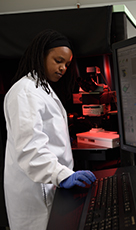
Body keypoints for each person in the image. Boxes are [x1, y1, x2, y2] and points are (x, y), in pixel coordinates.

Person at [3, 29, 96, 230]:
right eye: (58, 60)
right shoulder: (26, 92)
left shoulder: (40, 88)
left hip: (50, 184)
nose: (63, 68)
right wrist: (62, 175)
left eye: (67, 64)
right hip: (37, 191)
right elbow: (30, 149)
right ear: (41, 55)